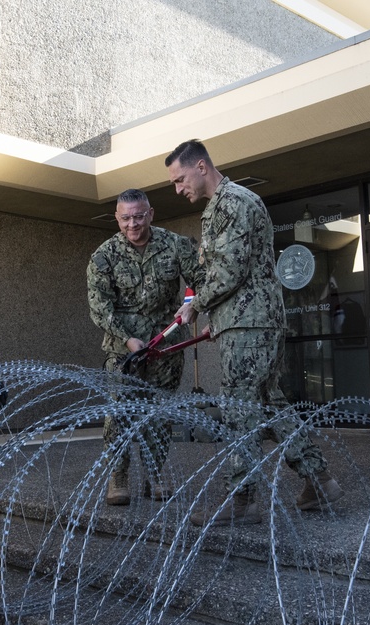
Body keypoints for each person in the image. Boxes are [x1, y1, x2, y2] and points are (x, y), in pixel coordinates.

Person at [165, 139, 344, 526]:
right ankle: (319, 480)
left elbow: (230, 271)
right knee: (266, 404)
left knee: (239, 411)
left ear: (201, 166)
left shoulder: (233, 203)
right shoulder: (224, 205)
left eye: (180, 180)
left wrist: (195, 305)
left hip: (251, 325)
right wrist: (222, 320)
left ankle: (241, 499)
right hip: (245, 322)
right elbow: (238, 276)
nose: (179, 190)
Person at [87, 188, 205, 505]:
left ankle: (155, 476)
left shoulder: (176, 244)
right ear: (117, 217)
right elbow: (100, 308)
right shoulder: (104, 256)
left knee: (160, 415)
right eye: (125, 218)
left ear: (150, 214)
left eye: (139, 216)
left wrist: (194, 306)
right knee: (119, 415)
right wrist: (127, 339)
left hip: (166, 348)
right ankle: (119, 478)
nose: (133, 224)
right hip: (124, 353)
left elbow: (202, 280)